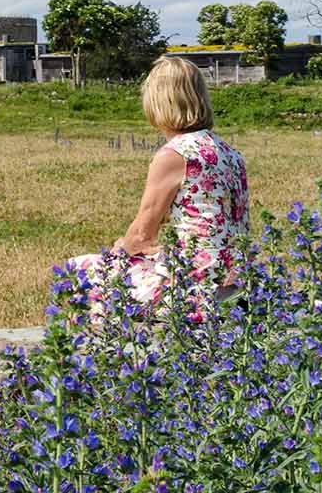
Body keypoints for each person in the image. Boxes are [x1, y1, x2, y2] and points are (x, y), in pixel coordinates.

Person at [66, 56, 251, 308]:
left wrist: (120, 248)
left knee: (77, 269)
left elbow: (142, 236)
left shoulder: (175, 155)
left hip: (192, 287)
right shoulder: (229, 152)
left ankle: (100, 342)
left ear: (158, 102)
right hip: (236, 281)